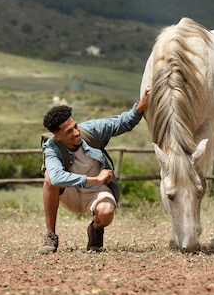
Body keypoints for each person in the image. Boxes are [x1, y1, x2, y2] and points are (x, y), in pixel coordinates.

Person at [38, 86, 150, 254]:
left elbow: (121, 123)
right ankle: (51, 235)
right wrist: (95, 179)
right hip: (71, 194)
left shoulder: (90, 131)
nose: (76, 133)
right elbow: (56, 178)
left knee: (106, 213)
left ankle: (96, 229)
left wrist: (140, 106)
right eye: (69, 131)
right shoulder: (51, 147)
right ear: (57, 136)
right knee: (49, 178)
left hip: (96, 192)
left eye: (75, 126)